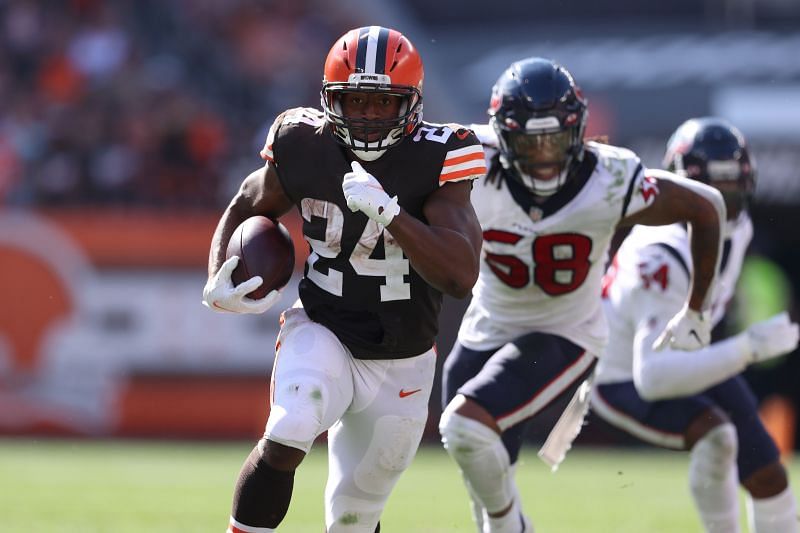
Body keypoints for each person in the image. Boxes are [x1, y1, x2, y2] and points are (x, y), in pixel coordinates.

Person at [202, 26, 486, 532]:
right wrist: (216, 272)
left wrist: (390, 214)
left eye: (383, 104)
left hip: (403, 357)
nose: (369, 117)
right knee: (289, 428)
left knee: (354, 518)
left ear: (412, 103)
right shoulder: (301, 142)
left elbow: (460, 276)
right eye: (355, 101)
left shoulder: (441, 154)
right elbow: (249, 201)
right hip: (323, 324)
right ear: (331, 99)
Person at [438, 57, 727, 533]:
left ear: (577, 132)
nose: (545, 155)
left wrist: (696, 310)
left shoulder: (610, 179)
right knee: (482, 472)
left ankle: (515, 525)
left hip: (564, 329)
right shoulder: (470, 156)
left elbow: (706, 204)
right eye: (530, 143)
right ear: (502, 135)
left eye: (554, 140)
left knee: (463, 427)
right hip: (487, 323)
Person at [591, 117, 799, 533]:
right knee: (718, 437)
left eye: (731, 193)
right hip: (620, 378)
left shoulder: (739, 229)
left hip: (687, 353)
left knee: (769, 474)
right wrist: (750, 348)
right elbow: (652, 377)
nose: (719, 208)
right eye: (709, 194)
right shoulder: (658, 254)